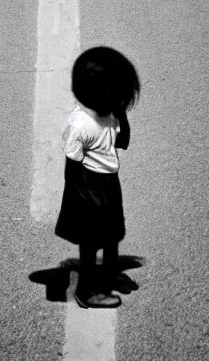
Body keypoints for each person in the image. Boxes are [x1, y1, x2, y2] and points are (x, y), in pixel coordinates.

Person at [55, 46, 140, 308]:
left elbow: (122, 142)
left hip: (109, 181)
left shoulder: (112, 112)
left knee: (113, 233)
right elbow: (73, 162)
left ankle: (110, 275)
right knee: (91, 242)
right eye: (122, 94)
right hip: (88, 186)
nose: (126, 100)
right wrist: (84, 197)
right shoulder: (82, 125)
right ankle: (87, 291)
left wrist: (121, 116)